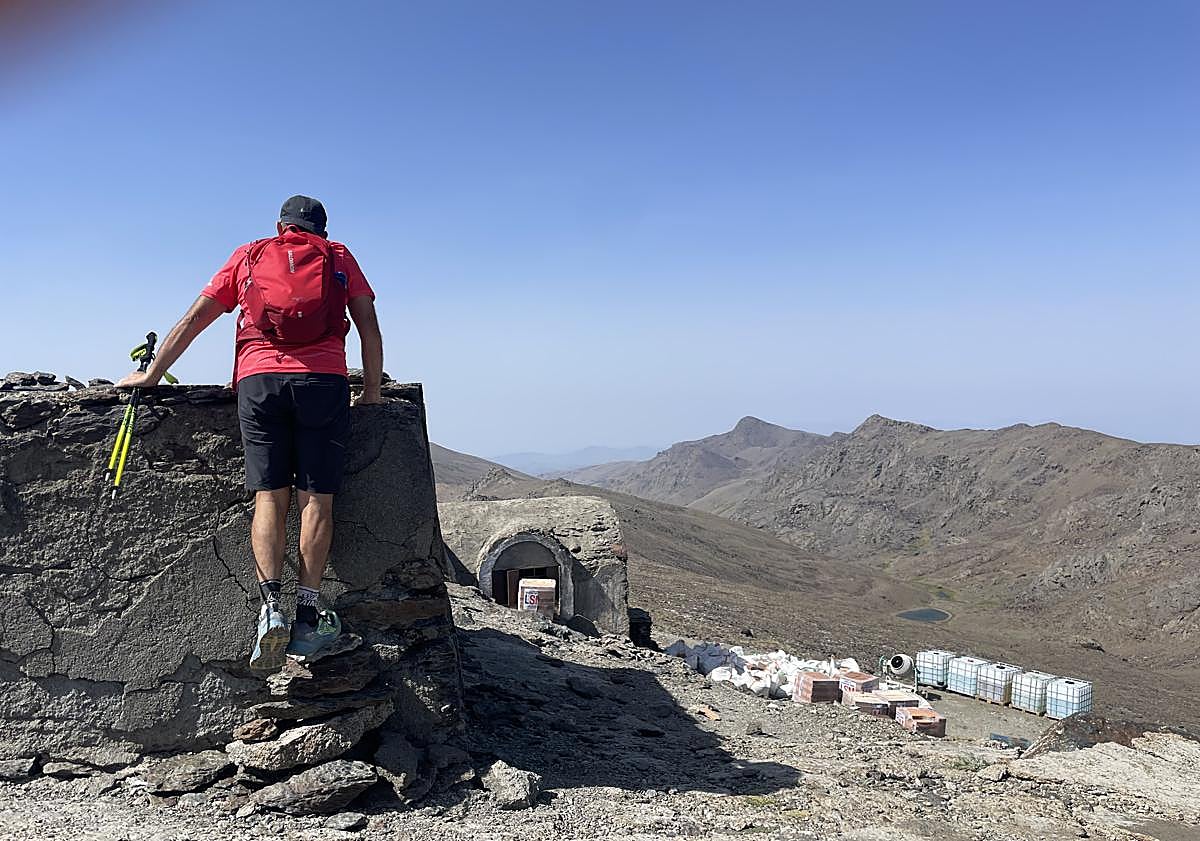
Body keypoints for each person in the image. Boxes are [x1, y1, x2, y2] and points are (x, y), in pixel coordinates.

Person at [118, 195, 384, 671]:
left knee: (269, 496)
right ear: (320, 230)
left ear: (280, 226)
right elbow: (367, 324)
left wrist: (153, 375)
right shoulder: (338, 256)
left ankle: (270, 608)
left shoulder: (247, 255)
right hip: (324, 382)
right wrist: (371, 392)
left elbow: (196, 317)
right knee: (317, 498)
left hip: (259, 382)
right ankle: (307, 611)